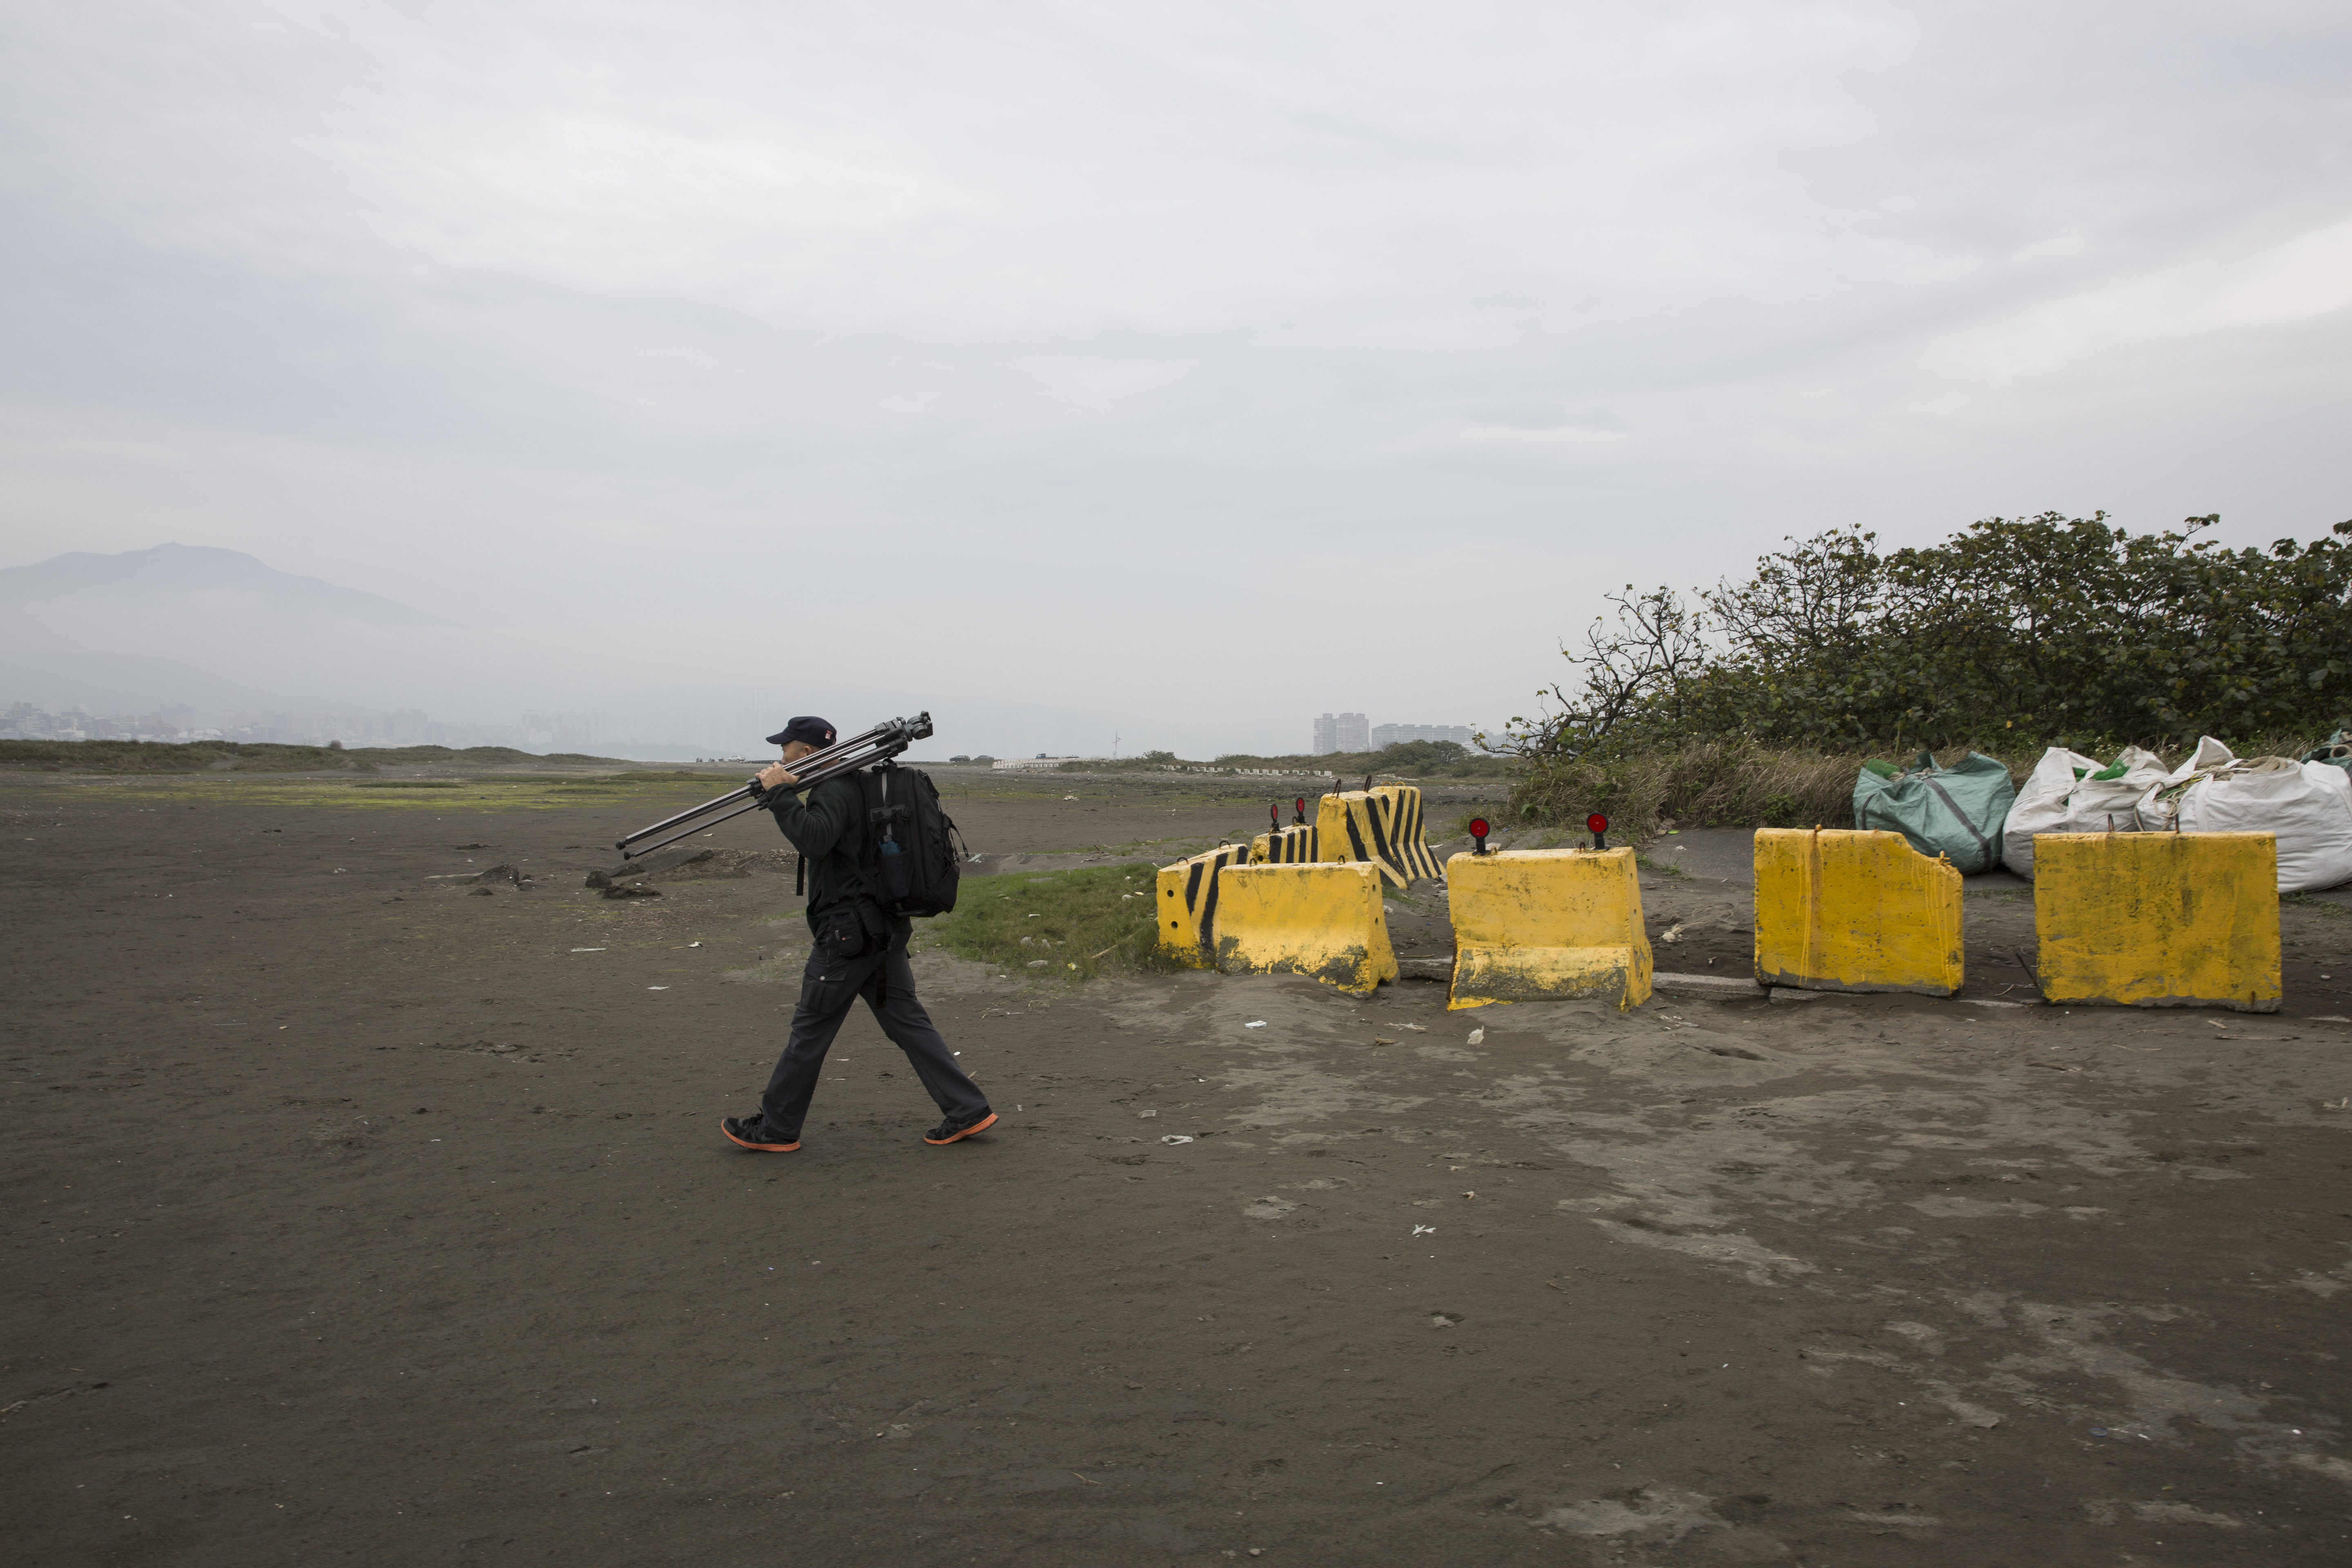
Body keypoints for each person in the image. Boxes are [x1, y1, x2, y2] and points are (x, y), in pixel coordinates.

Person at [720, 716, 997, 1153]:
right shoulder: (853, 782)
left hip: (848, 935)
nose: (781, 756)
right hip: (881, 928)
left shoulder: (833, 788)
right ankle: (967, 1109)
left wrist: (779, 794)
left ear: (806, 753)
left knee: (811, 1028)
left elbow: (814, 840)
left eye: (786, 748)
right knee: (907, 1022)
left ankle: (777, 1126)